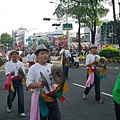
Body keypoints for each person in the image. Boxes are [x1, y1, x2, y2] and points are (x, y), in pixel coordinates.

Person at [26, 44, 66, 120]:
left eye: (46, 53)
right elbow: (28, 84)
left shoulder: (51, 66)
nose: (45, 55)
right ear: (37, 56)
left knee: (56, 117)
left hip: (52, 96)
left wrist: (59, 81)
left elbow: (56, 80)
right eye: (42, 54)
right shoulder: (33, 68)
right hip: (40, 98)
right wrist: (37, 84)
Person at [5, 49, 26, 117]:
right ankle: (9, 105)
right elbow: (7, 73)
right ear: (11, 56)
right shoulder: (8, 64)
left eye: (16, 54)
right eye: (13, 54)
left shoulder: (20, 63)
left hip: (19, 81)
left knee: (21, 96)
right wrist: (11, 73)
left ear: (18, 55)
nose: (14, 55)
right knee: (11, 95)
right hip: (12, 82)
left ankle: (21, 111)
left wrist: (21, 73)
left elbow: (23, 73)